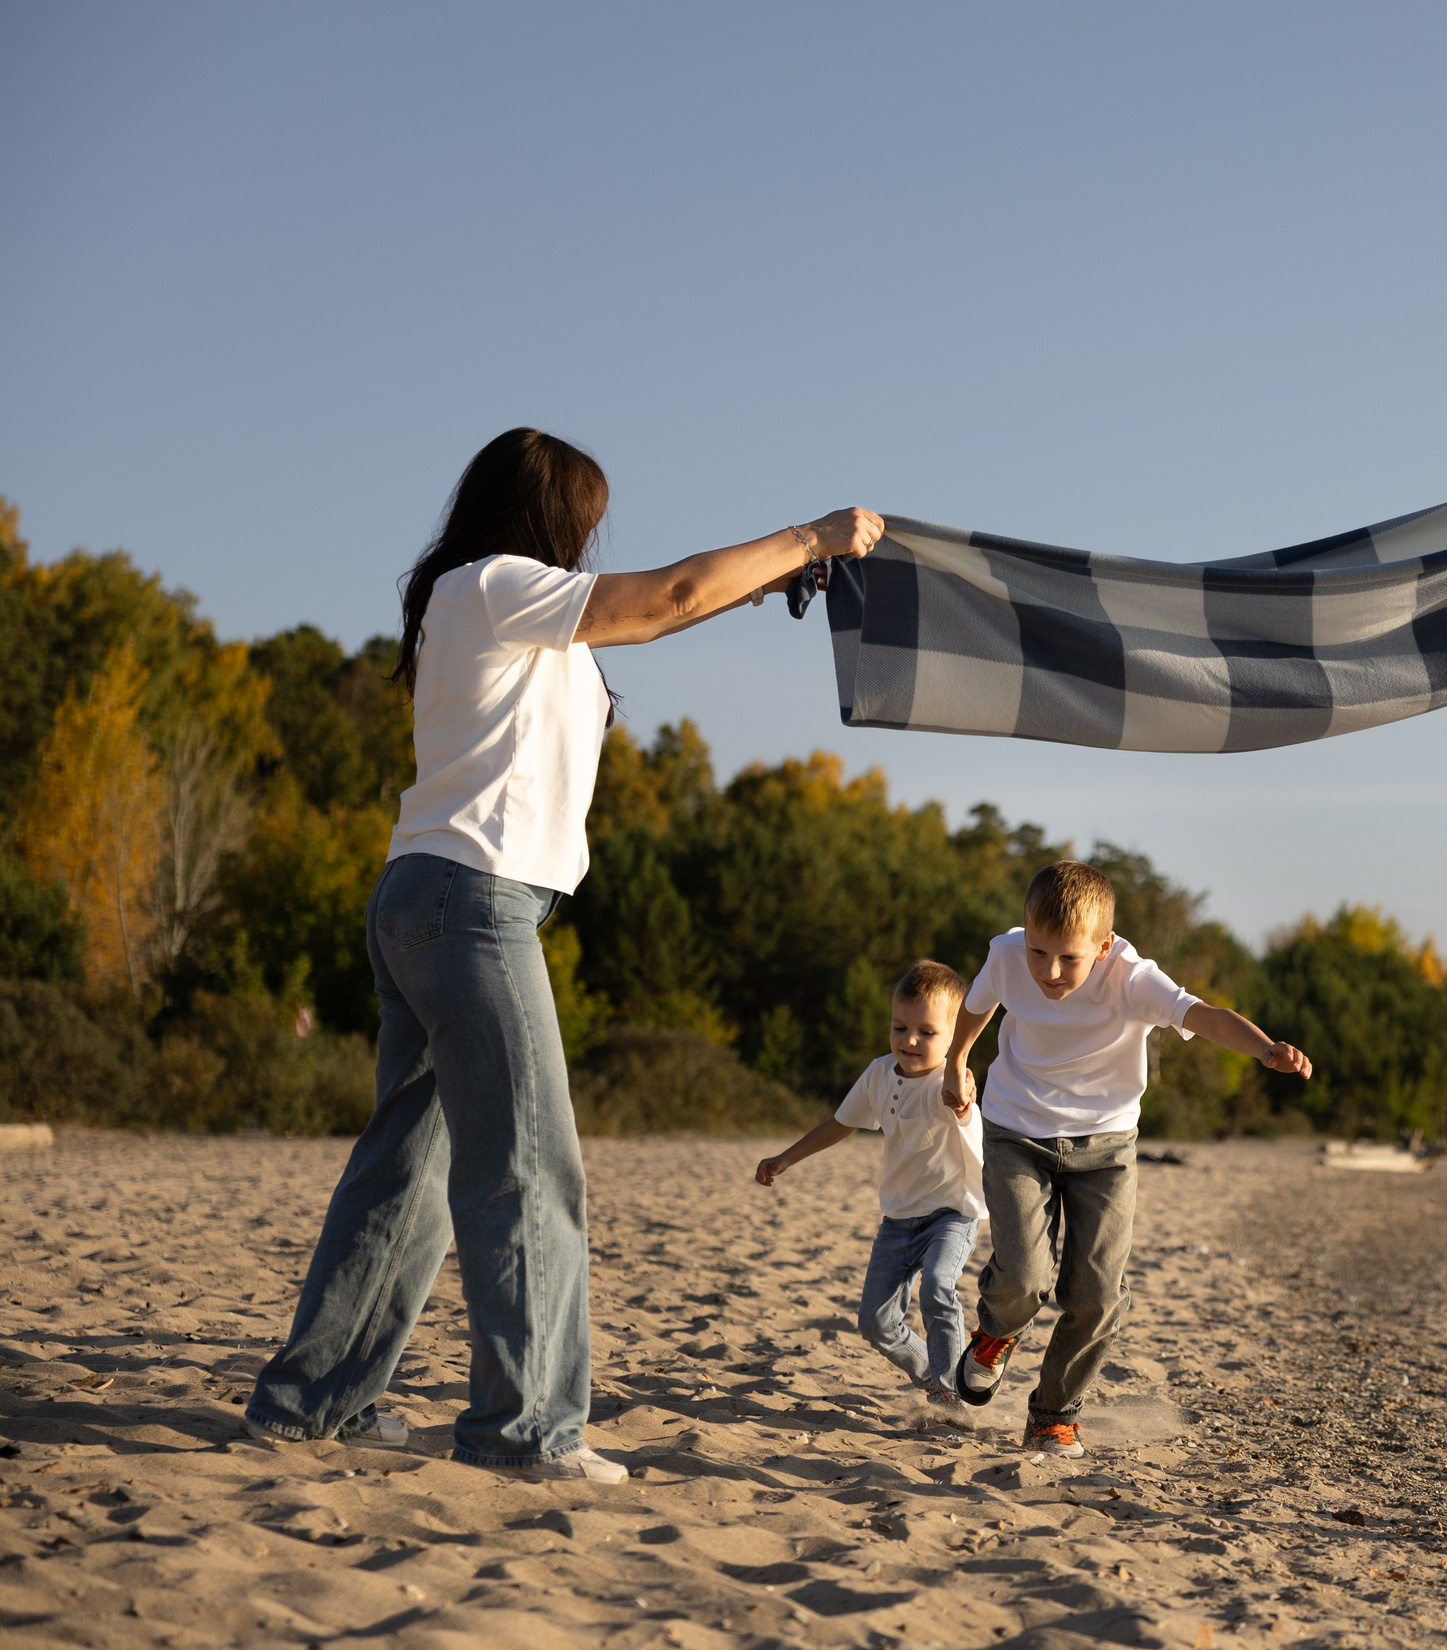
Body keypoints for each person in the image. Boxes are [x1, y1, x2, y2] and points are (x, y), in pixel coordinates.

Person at [243, 427, 883, 1481]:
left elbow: (668, 611)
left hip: (432, 898)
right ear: (546, 515)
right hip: (470, 906)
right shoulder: (496, 584)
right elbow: (665, 596)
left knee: (406, 1171)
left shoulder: (500, 605)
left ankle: (310, 1403)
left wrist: (780, 575)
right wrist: (806, 531)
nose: (591, 535)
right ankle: (524, 1427)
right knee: (530, 1171)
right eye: (583, 515)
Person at [940, 861, 1312, 1459]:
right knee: (1025, 1277)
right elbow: (978, 1005)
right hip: (1015, 1130)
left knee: (1097, 1293)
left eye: (1068, 959)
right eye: (1039, 952)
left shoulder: (1134, 979)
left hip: (1106, 1149)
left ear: (1104, 947)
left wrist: (1265, 1048)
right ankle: (996, 1332)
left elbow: (1204, 1016)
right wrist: (959, 1061)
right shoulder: (1009, 955)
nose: (1049, 972)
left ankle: (1054, 1416)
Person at [755, 960, 984, 1418]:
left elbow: (964, 1111)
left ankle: (950, 1397)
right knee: (875, 1323)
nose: (910, 1040)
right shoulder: (880, 1074)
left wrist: (961, 1096)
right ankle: (938, 1381)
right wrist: (785, 1158)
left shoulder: (952, 1084)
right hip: (899, 1219)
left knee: (938, 1287)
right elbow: (841, 1124)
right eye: (900, 1027)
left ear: (956, 1039)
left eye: (927, 1031)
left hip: (953, 1214)